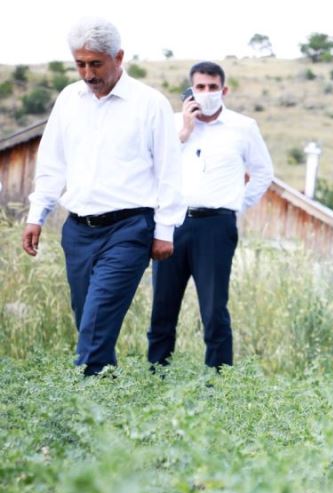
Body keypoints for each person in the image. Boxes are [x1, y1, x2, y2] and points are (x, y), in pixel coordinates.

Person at [21, 17, 184, 376]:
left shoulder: (149, 104)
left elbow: (170, 172)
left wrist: (165, 230)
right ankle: (106, 402)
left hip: (128, 230)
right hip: (78, 230)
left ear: (119, 57)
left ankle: (83, 406)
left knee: (95, 323)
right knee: (89, 321)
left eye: (96, 63)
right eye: (80, 64)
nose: (88, 73)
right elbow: (52, 161)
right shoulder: (68, 99)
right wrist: (37, 215)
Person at [146, 61, 274, 370]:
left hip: (216, 225)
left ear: (224, 90)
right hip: (172, 223)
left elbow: (263, 172)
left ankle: (219, 386)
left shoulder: (243, 127)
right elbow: (152, 168)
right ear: (190, 89)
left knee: (214, 310)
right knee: (162, 309)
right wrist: (185, 133)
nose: (206, 93)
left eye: (212, 87)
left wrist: (236, 207)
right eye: (200, 87)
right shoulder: (172, 124)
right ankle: (154, 377)